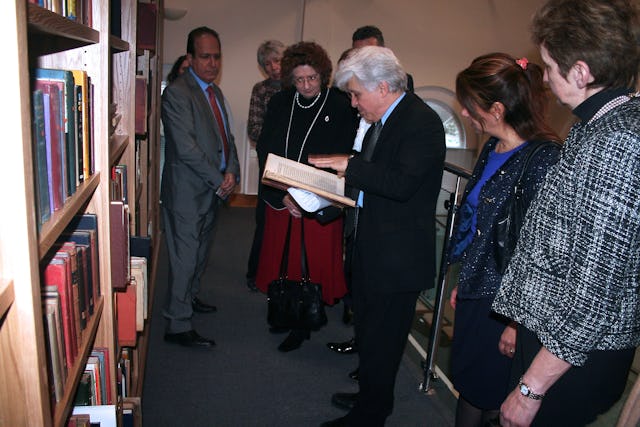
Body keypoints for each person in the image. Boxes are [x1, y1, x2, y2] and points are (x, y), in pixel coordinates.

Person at [490, 1, 640, 426]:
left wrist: (530, 387)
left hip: (575, 359)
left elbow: (593, 292)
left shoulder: (619, 139)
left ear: (580, 71)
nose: (544, 77)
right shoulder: (596, 125)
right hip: (555, 337)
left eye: (549, 66)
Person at [310, 45, 446, 427]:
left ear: (383, 87)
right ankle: (369, 398)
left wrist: (349, 166)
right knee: (369, 337)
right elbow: (373, 183)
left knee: (383, 344)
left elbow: (400, 184)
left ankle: (369, 415)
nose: (353, 103)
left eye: (356, 94)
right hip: (374, 249)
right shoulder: (388, 119)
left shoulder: (421, 121)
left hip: (396, 259)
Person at [447, 53, 561, 427]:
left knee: (493, 398)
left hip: (505, 306)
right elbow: (478, 224)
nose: (465, 113)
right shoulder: (491, 148)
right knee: (469, 385)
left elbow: (540, 248)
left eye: (470, 106)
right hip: (477, 290)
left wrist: (516, 321)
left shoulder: (542, 158)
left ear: (496, 108)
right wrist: (463, 279)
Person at [255, 41, 357, 352]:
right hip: (283, 196)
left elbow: (345, 155)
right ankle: (284, 311)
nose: (306, 85)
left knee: (309, 265)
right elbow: (265, 148)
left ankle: (302, 323)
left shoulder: (339, 104)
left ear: (322, 74)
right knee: (282, 261)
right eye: (299, 80)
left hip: (317, 200)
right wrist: (282, 192)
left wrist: (310, 196)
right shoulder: (281, 102)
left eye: (311, 78)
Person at [160, 26, 240, 348]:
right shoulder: (177, 93)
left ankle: (189, 300)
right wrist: (219, 178)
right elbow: (186, 148)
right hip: (187, 192)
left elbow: (227, 139)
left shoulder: (214, 92)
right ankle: (177, 326)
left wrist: (232, 169)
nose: (212, 63)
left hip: (212, 189)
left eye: (216, 56)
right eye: (205, 56)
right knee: (185, 257)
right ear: (190, 58)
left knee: (201, 253)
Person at [245, 40, 285, 293]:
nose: (273, 67)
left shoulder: (299, 86)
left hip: (298, 164)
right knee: (265, 218)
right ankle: (255, 273)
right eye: (267, 63)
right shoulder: (261, 90)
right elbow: (254, 129)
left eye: (277, 60)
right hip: (270, 162)